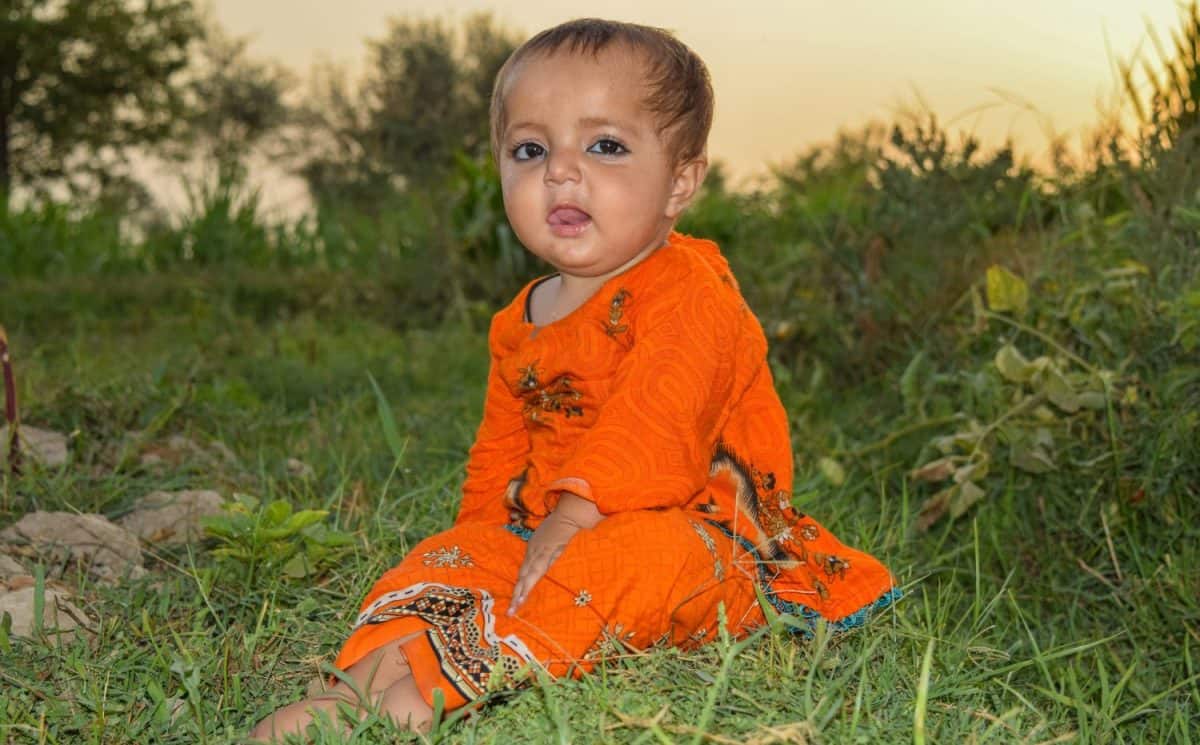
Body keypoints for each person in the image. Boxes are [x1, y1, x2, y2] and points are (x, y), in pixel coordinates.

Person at [251, 17, 899, 741]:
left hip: (704, 532)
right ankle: (366, 674)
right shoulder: (517, 323)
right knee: (453, 552)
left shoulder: (691, 290)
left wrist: (576, 513)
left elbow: (660, 418)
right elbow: (498, 458)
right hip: (548, 525)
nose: (560, 170)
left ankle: (447, 684)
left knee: (637, 558)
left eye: (605, 146)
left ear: (680, 181)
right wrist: (484, 547)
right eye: (530, 149)